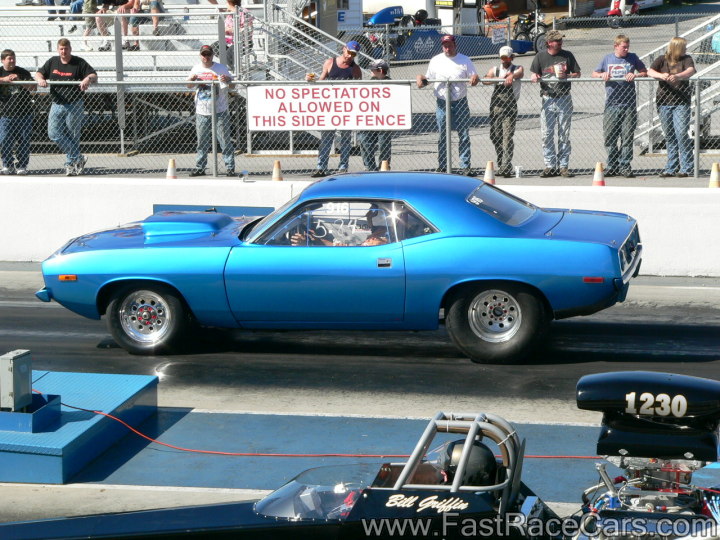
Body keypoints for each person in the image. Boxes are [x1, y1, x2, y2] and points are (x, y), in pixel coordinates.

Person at [416, 34, 479, 176]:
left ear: (455, 45)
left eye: (450, 45)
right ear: (442, 46)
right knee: (443, 135)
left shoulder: (465, 60)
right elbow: (427, 78)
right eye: (445, 46)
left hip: (460, 101)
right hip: (442, 102)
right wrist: (420, 77)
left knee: (463, 134)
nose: (447, 48)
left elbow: (473, 77)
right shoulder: (436, 60)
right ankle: (443, 165)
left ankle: (465, 166)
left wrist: (474, 78)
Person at [35, 39, 97, 176]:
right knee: (53, 133)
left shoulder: (79, 62)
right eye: (61, 49)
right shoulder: (52, 61)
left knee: (72, 135)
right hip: (57, 103)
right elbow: (39, 73)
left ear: (70, 49)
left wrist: (87, 79)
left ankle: (70, 164)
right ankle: (78, 157)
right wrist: (40, 79)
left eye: (66, 49)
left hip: (74, 104)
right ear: (58, 50)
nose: (64, 51)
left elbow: (93, 75)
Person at [592, 35, 647, 178]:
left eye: (628, 46)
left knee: (627, 137)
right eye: (624, 47)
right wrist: (601, 75)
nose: (626, 49)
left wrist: (635, 75)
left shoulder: (632, 57)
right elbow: (594, 73)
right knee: (610, 137)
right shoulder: (607, 58)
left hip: (628, 104)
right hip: (612, 104)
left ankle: (625, 165)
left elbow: (644, 71)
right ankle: (612, 165)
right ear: (616, 46)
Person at [306, 41, 362, 178]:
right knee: (326, 138)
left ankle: (343, 167)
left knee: (346, 139)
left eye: (353, 54)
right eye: (348, 52)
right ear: (344, 49)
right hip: (330, 108)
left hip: (346, 108)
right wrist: (309, 80)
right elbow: (320, 82)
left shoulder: (355, 69)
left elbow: (361, 88)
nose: (349, 56)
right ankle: (321, 167)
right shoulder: (330, 62)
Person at [530, 30, 581, 178]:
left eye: (560, 41)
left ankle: (563, 166)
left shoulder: (567, 55)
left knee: (564, 134)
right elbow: (534, 73)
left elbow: (577, 73)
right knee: (547, 134)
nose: (559, 43)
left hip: (564, 97)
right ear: (549, 43)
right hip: (548, 98)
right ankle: (550, 165)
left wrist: (568, 75)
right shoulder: (540, 56)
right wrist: (535, 76)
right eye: (556, 41)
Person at [648, 37, 696, 178]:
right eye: (683, 47)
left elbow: (691, 70)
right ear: (677, 47)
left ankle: (687, 167)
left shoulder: (686, 59)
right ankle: (671, 167)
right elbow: (650, 71)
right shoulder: (662, 59)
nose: (686, 49)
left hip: (681, 102)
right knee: (669, 136)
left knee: (681, 133)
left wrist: (678, 76)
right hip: (664, 102)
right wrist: (662, 76)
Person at [187, 45, 235, 176]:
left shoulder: (220, 68)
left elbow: (232, 85)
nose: (206, 57)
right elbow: (189, 85)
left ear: (212, 55)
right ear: (200, 55)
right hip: (202, 110)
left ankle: (230, 167)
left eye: (208, 55)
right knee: (202, 141)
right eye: (204, 55)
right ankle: (200, 167)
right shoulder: (196, 68)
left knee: (225, 140)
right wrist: (192, 80)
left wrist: (228, 80)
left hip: (220, 109)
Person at [483, 45, 523, 178]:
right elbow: (486, 80)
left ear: (512, 57)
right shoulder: (495, 69)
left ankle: (506, 166)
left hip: (510, 107)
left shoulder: (516, 68)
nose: (505, 60)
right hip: (496, 107)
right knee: (495, 136)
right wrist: (498, 79)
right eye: (502, 57)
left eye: (507, 57)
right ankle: (501, 161)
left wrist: (512, 75)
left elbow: (520, 72)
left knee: (507, 136)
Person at [0, 50, 36, 175]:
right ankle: (7, 165)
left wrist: (20, 80)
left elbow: (33, 87)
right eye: (9, 58)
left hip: (24, 113)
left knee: (24, 141)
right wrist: (4, 79)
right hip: (5, 114)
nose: (12, 61)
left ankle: (22, 166)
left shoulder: (22, 72)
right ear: (3, 60)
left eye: (13, 58)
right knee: (4, 140)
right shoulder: (1, 72)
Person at [360, 58, 392, 171]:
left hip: (385, 119)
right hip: (370, 118)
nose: (371, 71)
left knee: (384, 143)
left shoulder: (391, 83)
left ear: (380, 70)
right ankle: (369, 167)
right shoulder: (369, 83)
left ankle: (384, 166)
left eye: (373, 69)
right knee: (365, 141)